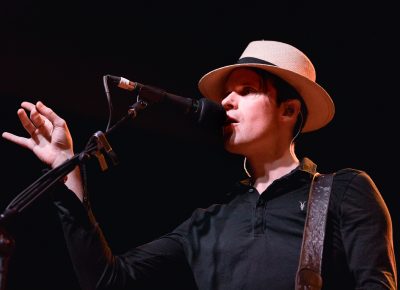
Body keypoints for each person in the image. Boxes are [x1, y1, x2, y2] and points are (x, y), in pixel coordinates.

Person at [2, 40, 397, 290]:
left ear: (289, 110)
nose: (225, 103)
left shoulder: (345, 191)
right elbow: (107, 280)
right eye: (226, 94)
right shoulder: (210, 221)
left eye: (245, 91)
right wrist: (67, 168)